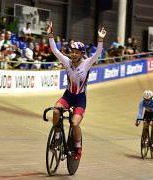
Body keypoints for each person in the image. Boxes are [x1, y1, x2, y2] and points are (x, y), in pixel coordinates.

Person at [46, 21, 106, 160]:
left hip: (80, 99)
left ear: (81, 54)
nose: (73, 54)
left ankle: (78, 146)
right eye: (72, 52)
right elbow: (55, 50)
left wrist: (100, 39)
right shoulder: (66, 62)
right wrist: (50, 35)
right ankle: (57, 138)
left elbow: (97, 53)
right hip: (68, 96)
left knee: (74, 124)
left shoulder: (86, 64)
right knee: (56, 111)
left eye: (76, 52)